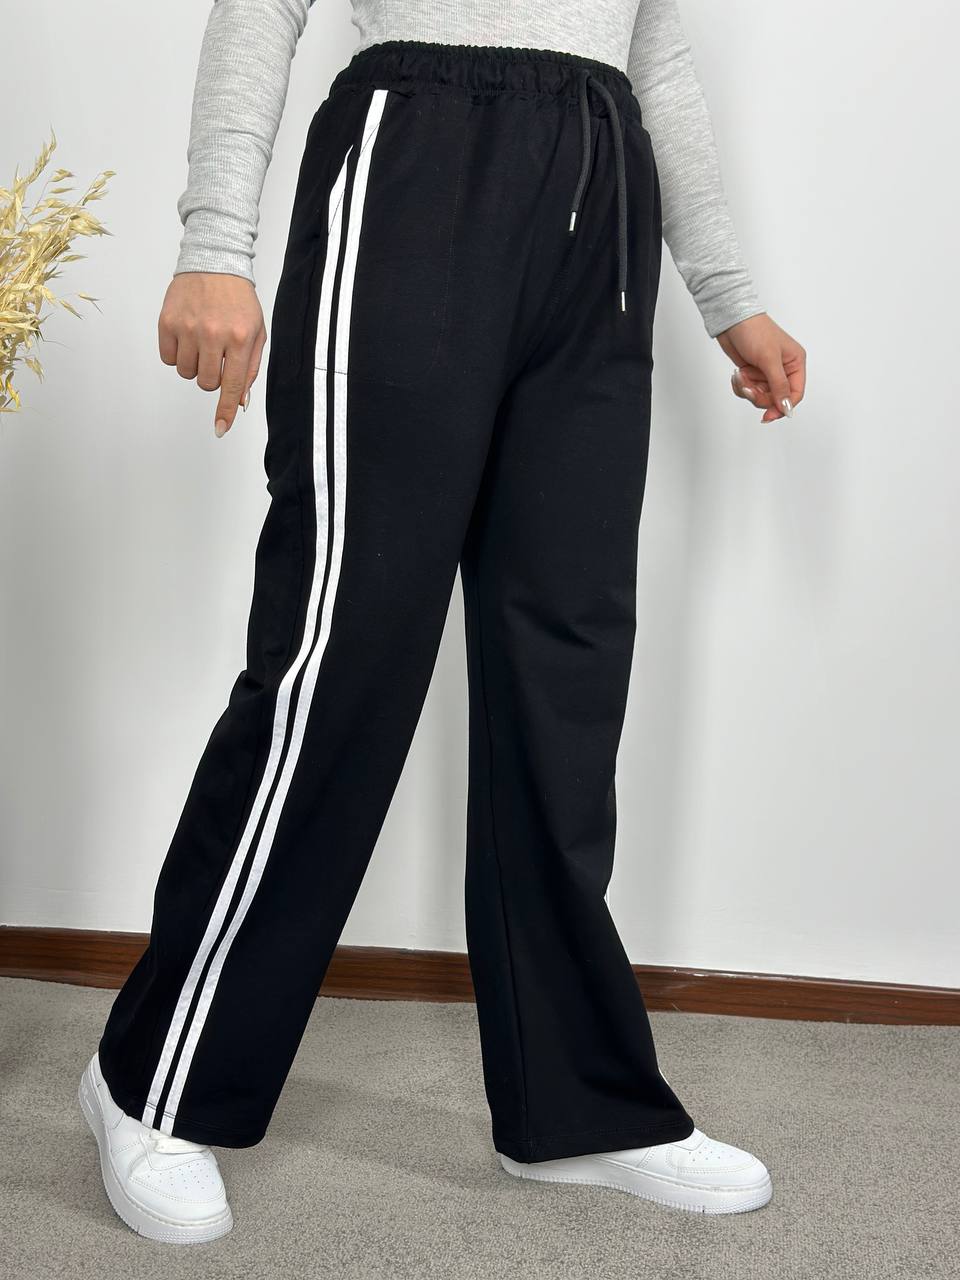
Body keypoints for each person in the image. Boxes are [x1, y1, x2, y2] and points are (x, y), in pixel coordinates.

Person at [78, 0, 805, 1244]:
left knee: (565, 671)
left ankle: (574, 1104)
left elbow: (656, 48)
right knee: (339, 658)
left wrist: (726, 290)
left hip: (602, 194)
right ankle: (157, 1079)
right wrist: (214, 242)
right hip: (416, 156)